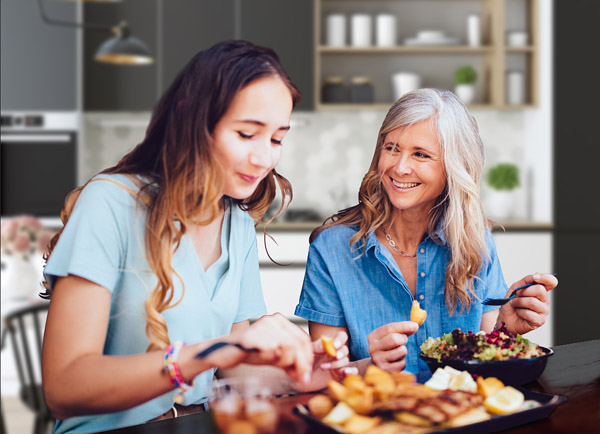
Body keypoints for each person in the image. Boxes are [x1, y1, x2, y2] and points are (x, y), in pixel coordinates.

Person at [41, 40, 354, 434]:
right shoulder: (110, 203)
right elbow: (65, 387)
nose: (265, 159)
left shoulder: (236, 221)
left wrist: (298, 374)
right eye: (246, 134)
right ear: (192, 120)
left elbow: (232, 363)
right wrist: (211, 351)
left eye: (276, 139)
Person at [295, 88, 558, 375]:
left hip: (463, 415)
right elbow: (323, 374)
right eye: (392, 148)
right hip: (377, 415)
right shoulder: (332, 248)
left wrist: (505, 330)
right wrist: (371, 366)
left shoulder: (475, 241)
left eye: (420, 154)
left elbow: (485, 363)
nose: (400, 167)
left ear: (453, 168)